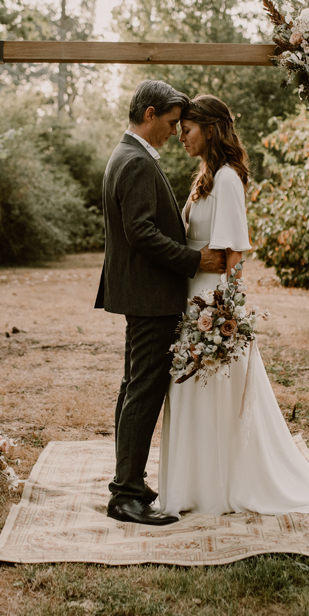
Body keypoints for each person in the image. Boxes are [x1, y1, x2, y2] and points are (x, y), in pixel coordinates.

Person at [158, 94, 309, 518]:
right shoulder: (206, 178)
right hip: (191, 299)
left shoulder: (229, 180)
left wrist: (215, 314)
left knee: (212, 396)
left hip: (213, 307)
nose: (181, 135)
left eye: (188, 128)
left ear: (212, 129)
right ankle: (192, 485)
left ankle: (215, 488)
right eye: (180, 128)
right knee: (190, 394)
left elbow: (230, 257)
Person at [95, 80, 226, 526]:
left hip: (143, 293)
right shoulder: (134, 161)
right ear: (149, 114)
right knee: (143, 390)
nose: (175, 131)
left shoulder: (129, 155)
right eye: (171, 123)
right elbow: (141, 233)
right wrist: (194, 259)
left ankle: (127, 483)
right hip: (150, 295)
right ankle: (125, 495)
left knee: (135, 387)